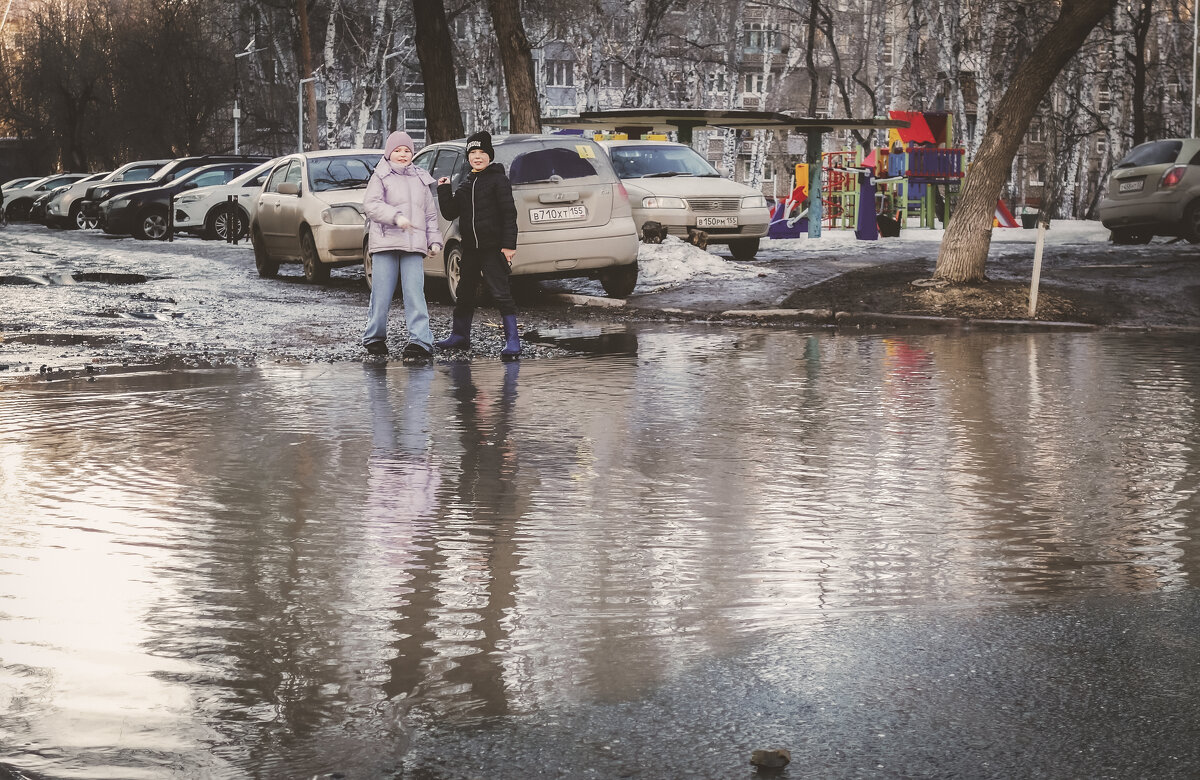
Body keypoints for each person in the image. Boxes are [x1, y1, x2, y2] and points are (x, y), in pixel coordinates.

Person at [435, 130, 521, 361]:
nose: (478, 156)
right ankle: (459, 335)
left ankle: (513, 340)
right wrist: (444, 189)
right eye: (473, 152)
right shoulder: (467, 182)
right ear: (468, 157)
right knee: (464, 293)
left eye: (482, 152)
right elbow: (450, 211)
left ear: (490, 156)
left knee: (501, 293)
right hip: (470, 249)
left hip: (493, 248)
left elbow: (509, 215)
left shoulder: (498, 180)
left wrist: (508, 246)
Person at [362, 130, 442, 360]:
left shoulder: (420, 178)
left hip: (413, 246)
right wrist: (396, 217)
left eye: (407, 150)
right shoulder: (380, 176)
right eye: (398, 150)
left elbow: (429, 214)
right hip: (386, 242)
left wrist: (434, 241)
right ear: (389, 153)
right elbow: (372, 205)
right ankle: (374, 337)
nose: (403, 154)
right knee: (382, 293)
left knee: (415, 293)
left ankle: (420, 341)